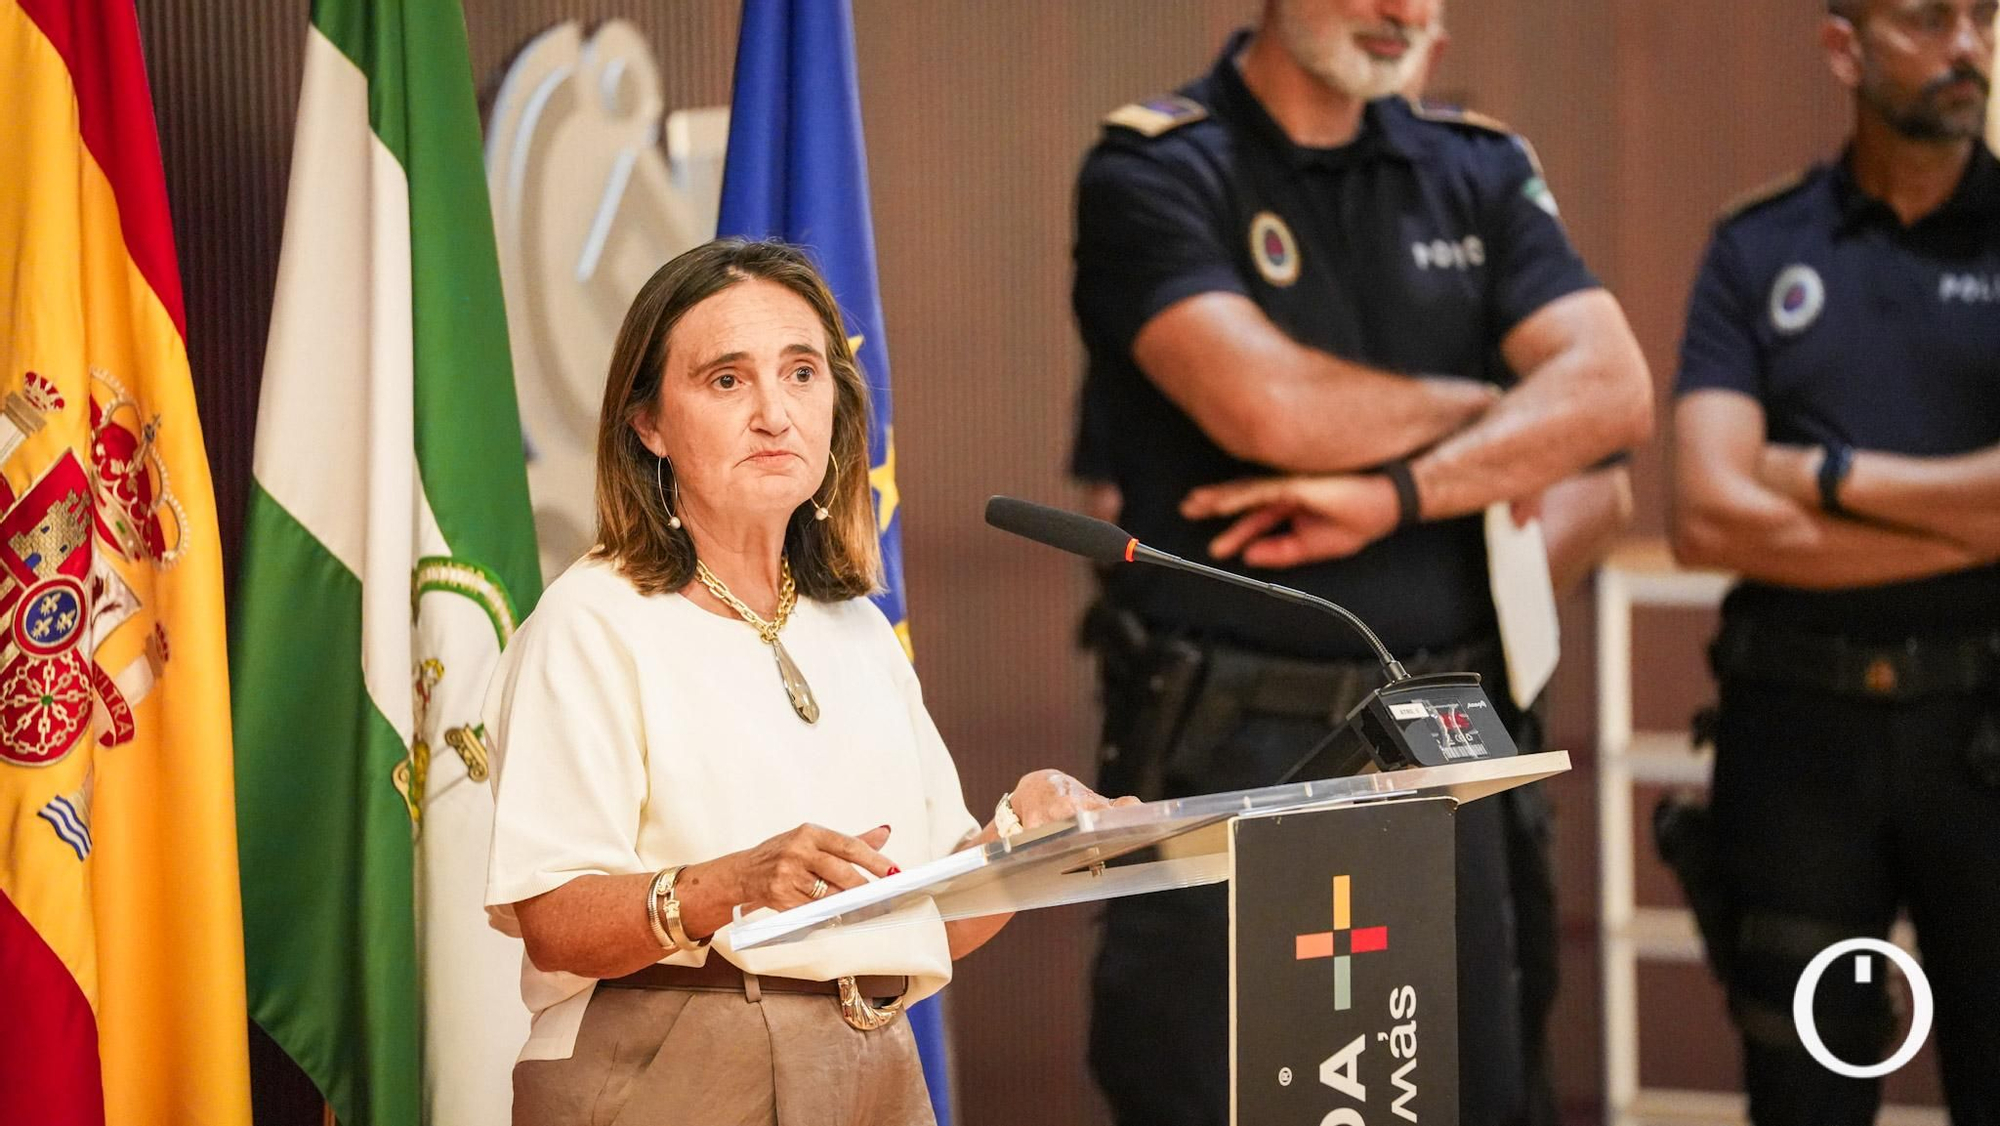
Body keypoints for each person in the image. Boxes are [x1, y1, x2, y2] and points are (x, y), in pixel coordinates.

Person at [1068, 2, 1654, 1124]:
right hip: (1238, 740)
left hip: (1447, 729)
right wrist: (1502, 407)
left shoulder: (1475, 166)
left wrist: (1395, 492)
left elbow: (1615, 391)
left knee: (1468, 1091)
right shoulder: (1157, 165)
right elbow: (1272, 409)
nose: (1403, 12)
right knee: (1229, 1095)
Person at [482, 238, 1132, 1126]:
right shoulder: (592, 620)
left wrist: (1028, 842)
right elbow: (554, 917)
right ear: (648, 425)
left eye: (801, 373)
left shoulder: (855, 626)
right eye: (727, 380)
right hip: (670, 1064)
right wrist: (731, 885)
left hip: (874, 1059)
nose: (775, 414)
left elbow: (931, 920)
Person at [1669, 1, 2000, 1122]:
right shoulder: (1758, 245)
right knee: (1806, 1091)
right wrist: (1968, 517)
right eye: (1927, 18)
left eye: (1983, 16)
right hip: (1797, 746)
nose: (1967, 45)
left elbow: (1754, 492)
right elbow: (1706, 516)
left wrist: (1825, 474)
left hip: (1985, 732)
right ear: (1843, 48)